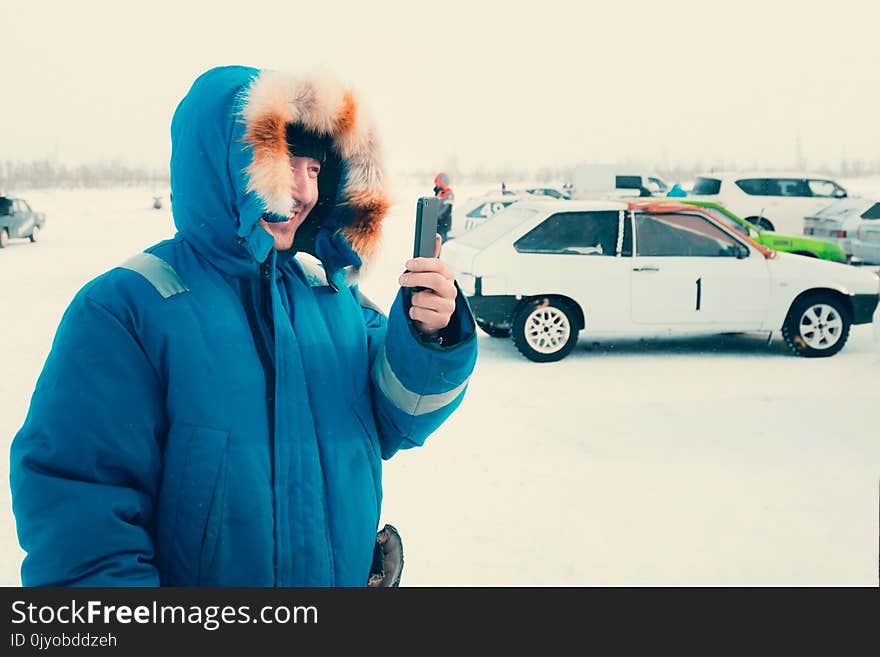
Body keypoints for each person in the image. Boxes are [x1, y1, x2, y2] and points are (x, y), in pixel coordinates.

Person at [9, 65, 478, 587]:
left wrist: (429, 335)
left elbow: (401, 416)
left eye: (315, 170)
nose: (303, 192)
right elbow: (82, 527)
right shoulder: (128, 309)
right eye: (283, 165)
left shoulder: (332, 296)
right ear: (225, 164)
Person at [433, 171, 454, 242]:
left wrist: (439, 217)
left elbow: (448, 209)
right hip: (437, 223)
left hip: (443, 223)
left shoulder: (448, 193)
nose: (436, 185)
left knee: (441, 242)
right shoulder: (439, 193)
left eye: (437, 183)